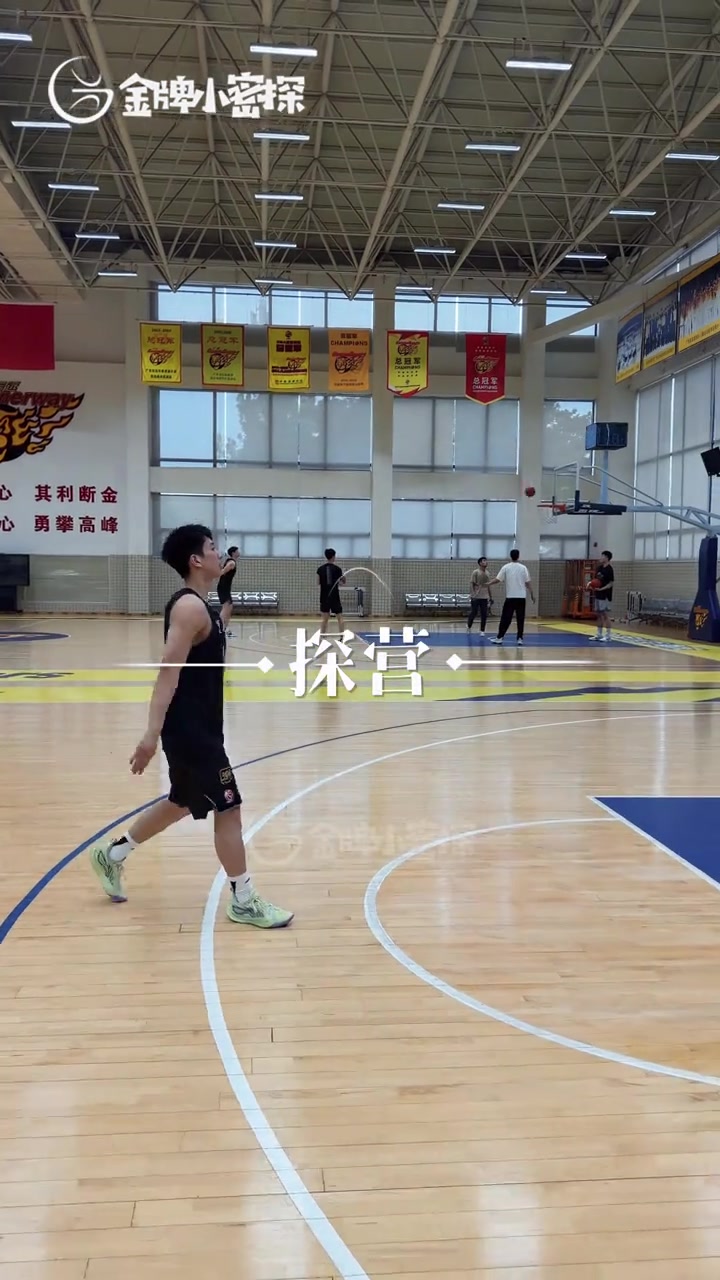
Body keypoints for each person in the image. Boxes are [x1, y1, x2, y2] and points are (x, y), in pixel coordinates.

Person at [89, 524, 293, 929]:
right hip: (190, 731)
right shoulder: (188, 608)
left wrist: (227, 582)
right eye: (213, 548)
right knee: (229, 806)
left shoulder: (203, 607)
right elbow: (168, 672)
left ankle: (111, 855)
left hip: (203, 726)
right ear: (196, 560)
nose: (220, 553)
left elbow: (218, 628)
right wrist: (150, 736)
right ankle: (244, 900)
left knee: (182, 801)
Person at [488, 548, 535, 646]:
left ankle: (499, 637)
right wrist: (532, 594)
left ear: (510, 556)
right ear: (518, 556)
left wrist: (488, 583)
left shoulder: (506, 567)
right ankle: (520, 638)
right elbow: (528, 582)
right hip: (521, 598)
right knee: (520, 618)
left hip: (510, 597)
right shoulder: (523, 568)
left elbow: (497, 579)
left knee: (505, 618)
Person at [317, 548, 346, 633]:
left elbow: (318, 582)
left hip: (324, 596)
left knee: (324, 619)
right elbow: (343, 582)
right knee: (340, 618)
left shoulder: (320, 569)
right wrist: (343, 576)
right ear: (333, 556)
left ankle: (322, 636)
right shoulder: (338, 569)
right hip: (335, 596)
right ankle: (342, 636)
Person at [591, 550, 614, 642]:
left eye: (602, 556)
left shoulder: (609, 569)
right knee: (599, 614)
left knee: (605, 614)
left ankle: (608, 636)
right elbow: (596, 581)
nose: (601, 558)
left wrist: (602, 589)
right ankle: (599, 634)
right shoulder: (599, 568)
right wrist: (592, 585)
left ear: (607, 558)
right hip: (598, 594)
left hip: (605, 595)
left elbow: (611, 583)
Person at [467, 557, 493, 635]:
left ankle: (482, 630)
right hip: (476, 596)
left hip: (484, 597)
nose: (486, 562)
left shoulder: (488, 573)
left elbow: (488, 585)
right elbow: (472, 583)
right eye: (484, 561)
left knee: (484, 614)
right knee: (474, 612)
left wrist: (490, 597)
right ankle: (469, 626)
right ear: (480, 563)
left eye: (486, 561)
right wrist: (473, 594)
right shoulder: (475, 572)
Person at [216, 545, 239, 635]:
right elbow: (222, 572)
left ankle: (225, 629)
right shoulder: (231, 563)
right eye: (237, 551)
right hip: (223, 587)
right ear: (233, 553)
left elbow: (221, 568)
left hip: (225, 587)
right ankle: (219, 628)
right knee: (226, 608)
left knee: (229, 607)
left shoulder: (230, 561)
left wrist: (218, 562)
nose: (239, 552)